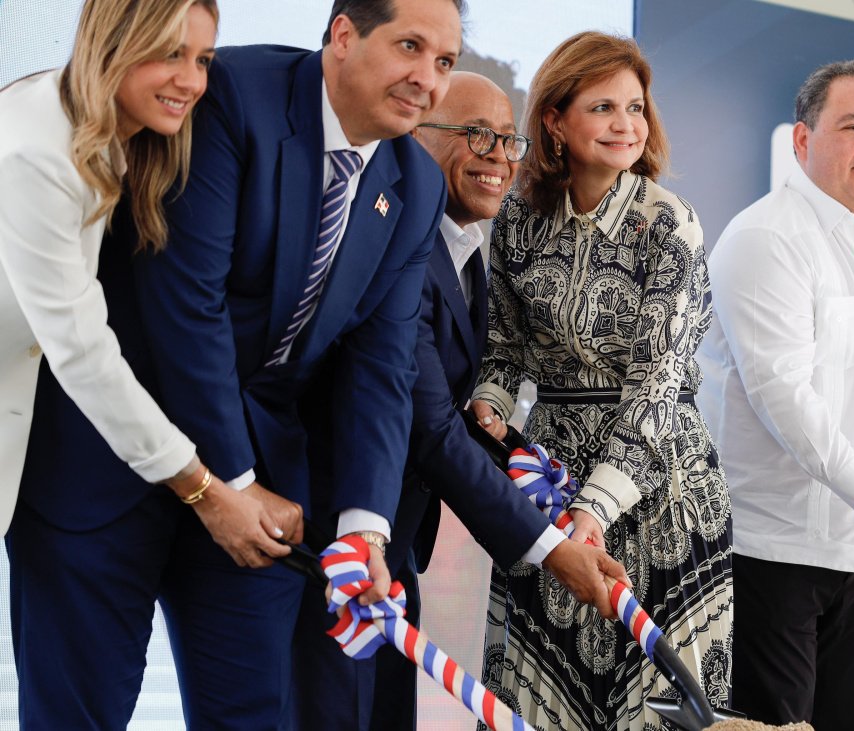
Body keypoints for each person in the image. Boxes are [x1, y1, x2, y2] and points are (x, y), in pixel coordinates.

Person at [9, 0, 458, 727]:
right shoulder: (231, 94)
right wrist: (227, 487)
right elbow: (186, 304)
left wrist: (363, 529)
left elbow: (382, 366)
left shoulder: (416, 185)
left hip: (259, 490)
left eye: (444, 62)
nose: (427, 79)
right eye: (410, 46)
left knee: (254, 715)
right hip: (105, 460)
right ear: (344, 35)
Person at [295, 70, 630, 731]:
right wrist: (550, 549)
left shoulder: (465, 248)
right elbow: (428, 426)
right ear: (413, 134)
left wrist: (517, 457)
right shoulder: (399, 247)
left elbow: (451, 411)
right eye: (476, 134)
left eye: (508, 139)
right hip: (339, 552)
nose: (499, 156)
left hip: (393, 552)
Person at [470, 31, 733, 730]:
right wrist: (490, 406)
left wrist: (592, 512)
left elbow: (656, 387)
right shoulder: (518, 216)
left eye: (635, 108)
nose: (626, 125)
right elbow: (504, 349)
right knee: (534, 701)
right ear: (554, 120)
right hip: (548, 485)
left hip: (660, 487)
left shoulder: (670, 224)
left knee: (652, 712)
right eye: (603, 107)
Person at [696, 59, 854, 729]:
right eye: (853, 126)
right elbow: (782, 394)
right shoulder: (765, 238)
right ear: (802, 140)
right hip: (770, 552)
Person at [0, 0, 292, 549]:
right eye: (169, 54)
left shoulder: (108, 138)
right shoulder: (39, 154)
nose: (192, 82)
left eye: (203, 60)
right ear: (114, 43)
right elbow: (82, 352)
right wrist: (205, 490)